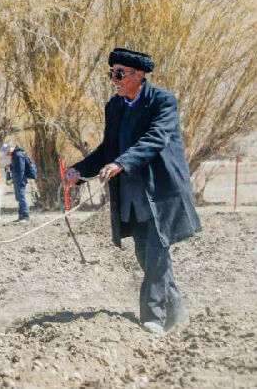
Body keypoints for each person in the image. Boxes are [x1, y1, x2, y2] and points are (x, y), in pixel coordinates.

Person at [63, 48, 201, 335]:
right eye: (111, 73)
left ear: (139, 75)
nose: (114, 79)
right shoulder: (114, 107)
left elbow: (155, 139)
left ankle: (153, 318)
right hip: (132, 197)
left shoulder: (162, 101)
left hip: (160, 193)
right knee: (147, 256)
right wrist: (79, 171)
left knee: (156, 255)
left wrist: (121, 162)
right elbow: (107, 149)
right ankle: (179, 317)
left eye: (119, 73)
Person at [5, 143, 34, 224]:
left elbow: (21, 169)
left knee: (21, 198)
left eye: (7, 151)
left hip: (20, 180)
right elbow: (16, 167)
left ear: (11, 148)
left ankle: (25, 216)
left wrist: (18, 179)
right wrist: (9, 169)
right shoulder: (15, 155)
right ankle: (21, 216)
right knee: (19, 198)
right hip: (18, 179)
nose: (7, 153)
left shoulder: (18, 155)